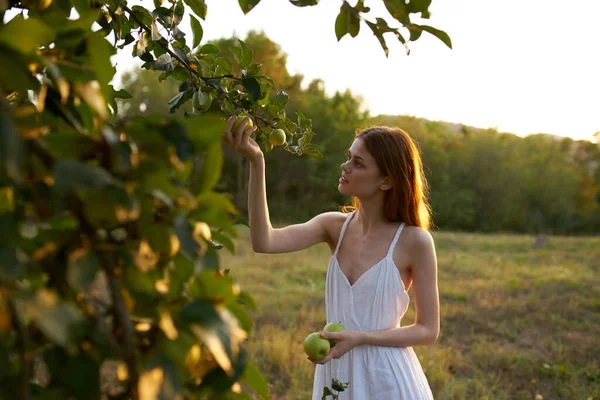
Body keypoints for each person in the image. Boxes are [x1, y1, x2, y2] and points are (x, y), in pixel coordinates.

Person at [222, 116, 439, 399]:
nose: (345, 166)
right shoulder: (333, 227)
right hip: (335, 375)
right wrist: (257, 162)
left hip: (388, 381)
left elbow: (427, 330)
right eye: (349, 157)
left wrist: (360, 338)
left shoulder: (415, 241)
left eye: (358, 163)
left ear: (386, 181)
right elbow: (264, 241)